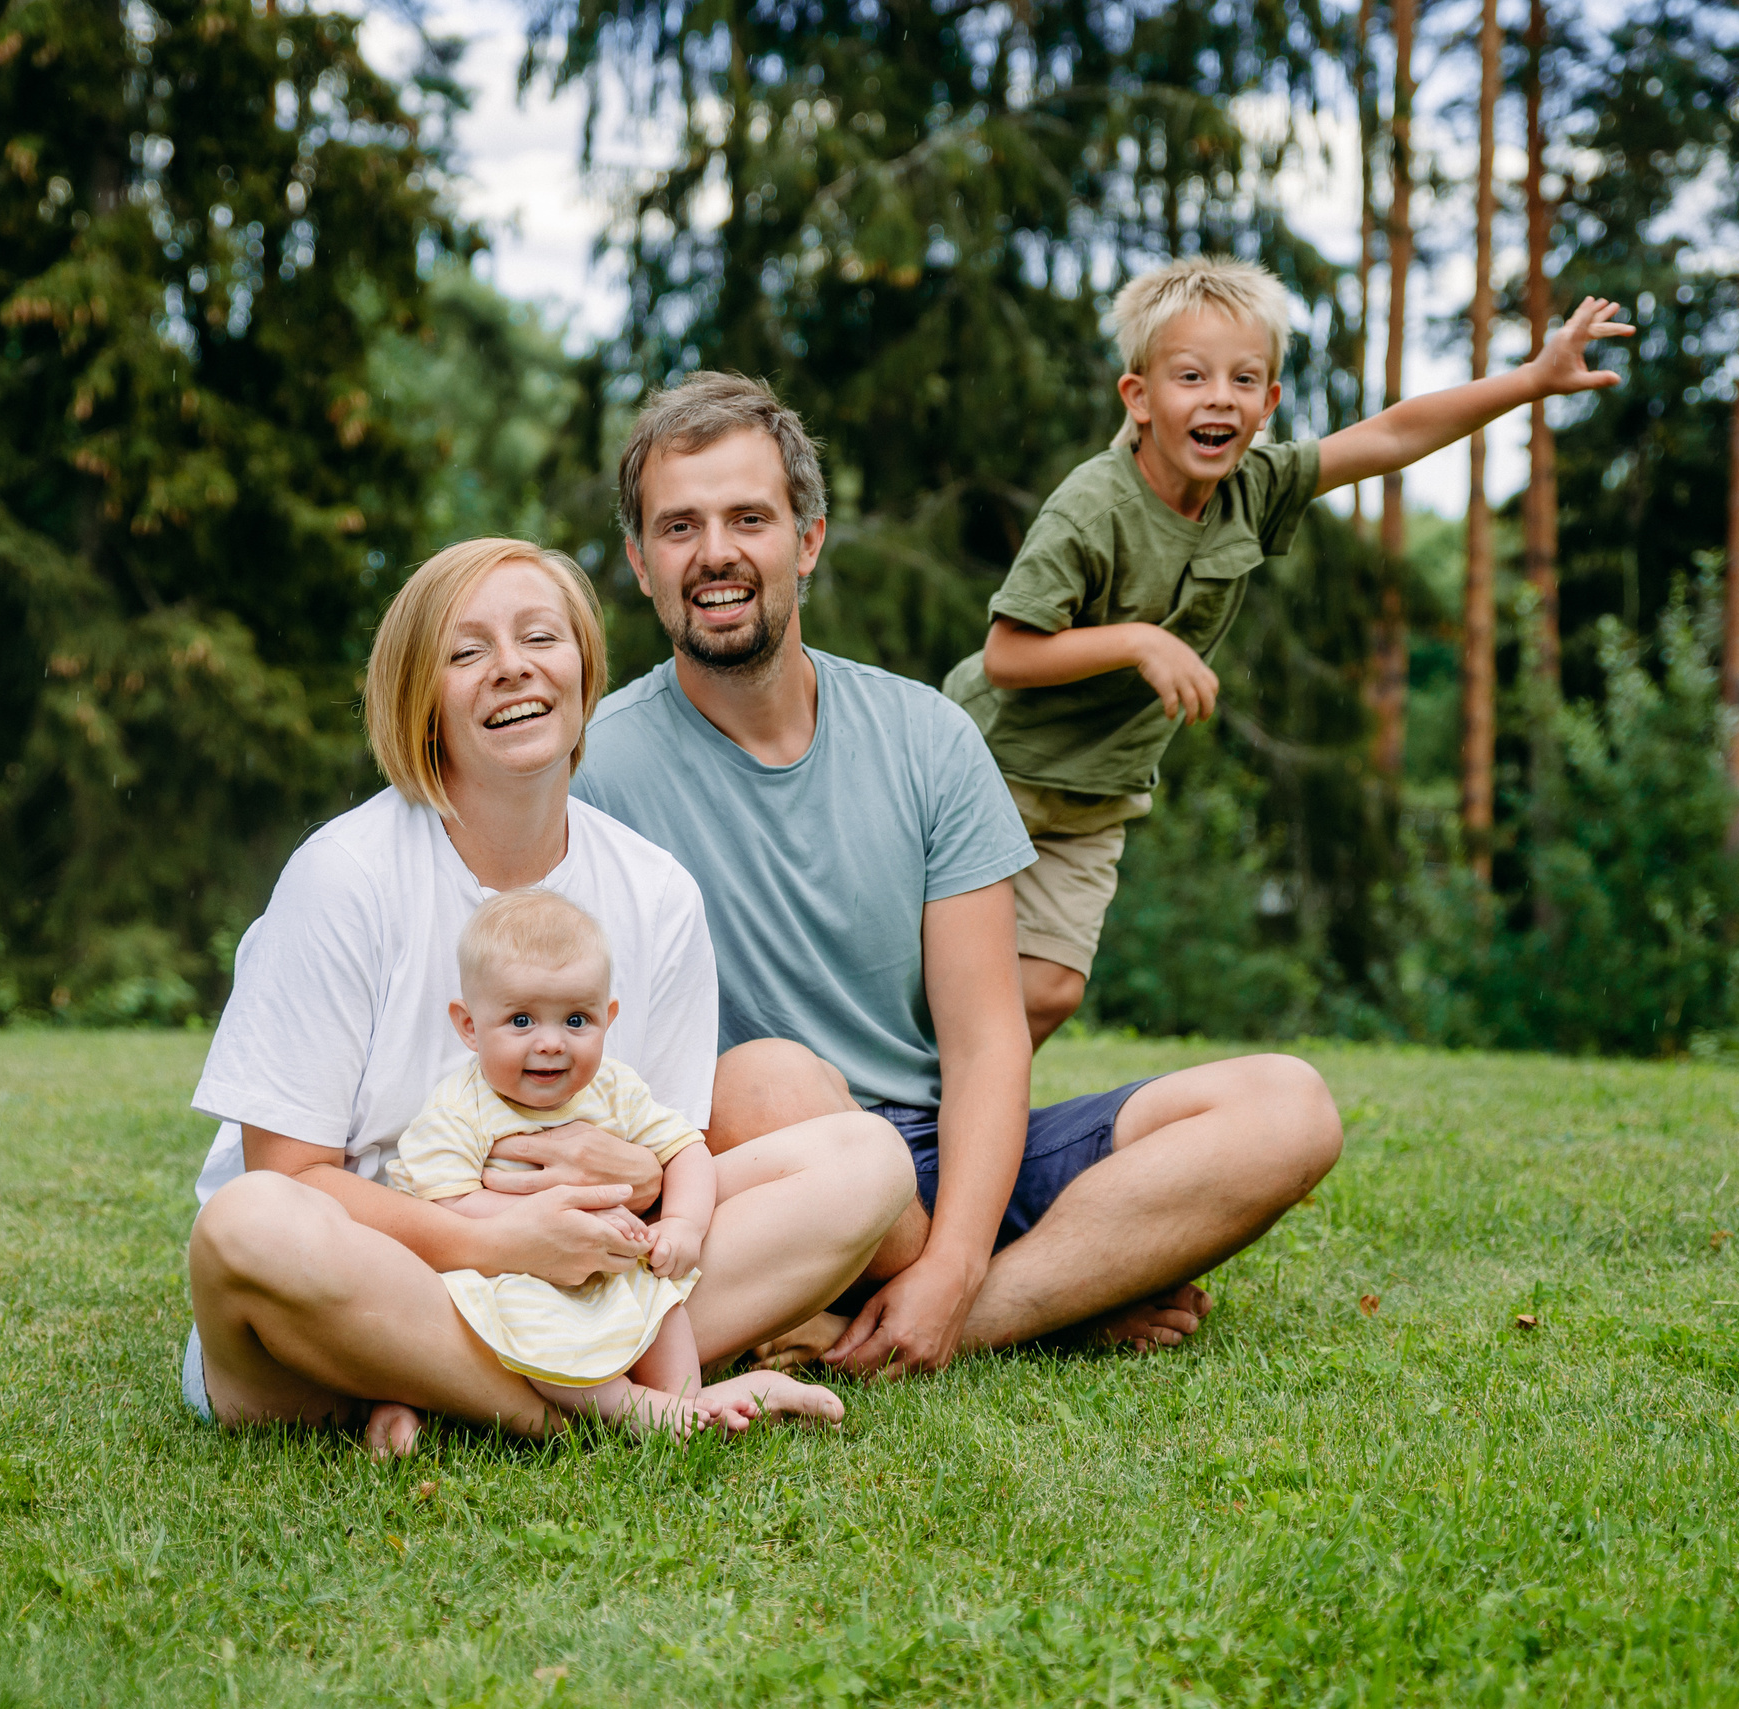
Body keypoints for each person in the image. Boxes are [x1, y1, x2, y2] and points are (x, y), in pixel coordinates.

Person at [570, 373, 1344, 1377]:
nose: (715, 551)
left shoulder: (926, 736)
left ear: (805, 540)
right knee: (766, 1077)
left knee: (1287, 1105)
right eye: (679, 527)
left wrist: (955, 1263)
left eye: (747, 518)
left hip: (949, 1154)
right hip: (770, 1172)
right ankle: (1056, 1285)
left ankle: (959, 1310)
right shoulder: (594, 770)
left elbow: (986, 1041)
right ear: (639, 560)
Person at [183, 536, 907, 1453]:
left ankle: (439, 1397)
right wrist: (503, 1239)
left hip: (580, 1278)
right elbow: (289, 1176)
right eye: (467, 650)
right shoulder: (342, 877)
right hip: (373, 1276)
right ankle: (599, 1412)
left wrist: (625, 1189)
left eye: (541, 636)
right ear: (422, 698)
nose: (513, 667)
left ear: (583, 668)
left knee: (866, 1158)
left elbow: (666, 1152)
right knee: (250, 1223)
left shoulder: (656, 891)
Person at [942, 255, 1635, 1043]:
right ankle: (896, 1110)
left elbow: (1393, 433)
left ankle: (942, 1128)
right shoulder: (1091, 508)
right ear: (1138, 398)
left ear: (1269, 402)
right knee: (947, 970)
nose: (1219, 398)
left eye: (1244, 380)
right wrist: (1139, 641)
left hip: (1093, 795)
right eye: (1192, 376)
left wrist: (1534, 379)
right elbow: (1008, 655)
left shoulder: (1254, 487)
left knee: (1050, 990)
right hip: (990, 768)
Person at [391, 887, 783, 1434]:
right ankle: (630, 1409)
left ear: (608, 1016)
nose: (552, 1043)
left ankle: (687, 1402)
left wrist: (683, 1224)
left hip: (611, 1268)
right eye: (522, 1021)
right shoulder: (459, 1111)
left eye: (576, 1021)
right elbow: (448, 1203)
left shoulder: (615, 1089)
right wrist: (556, 1219)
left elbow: (685, 1149)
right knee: (537, 1325)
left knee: (661, 1302)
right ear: (469, 1026)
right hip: (517, 1272)